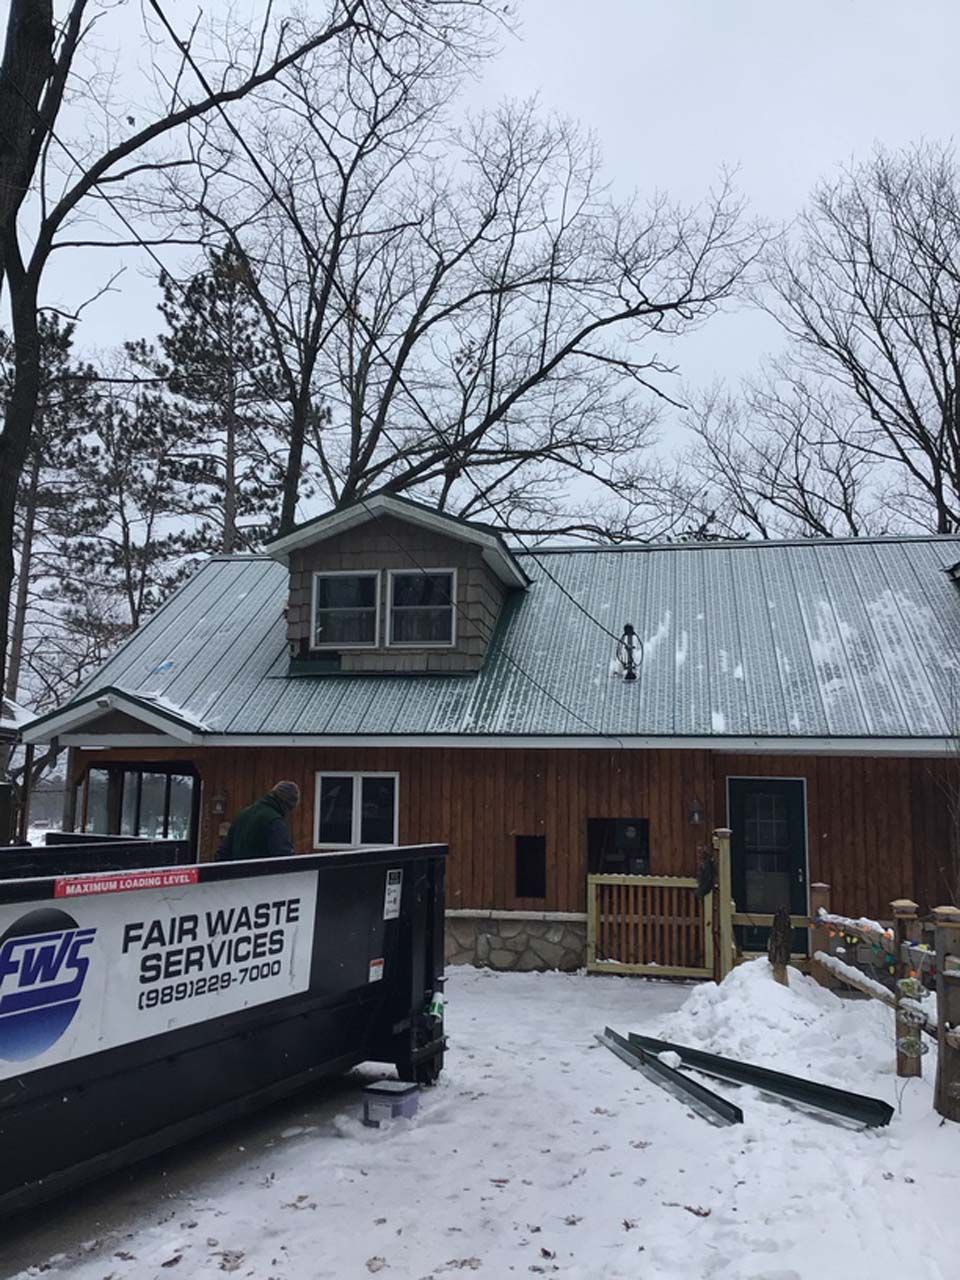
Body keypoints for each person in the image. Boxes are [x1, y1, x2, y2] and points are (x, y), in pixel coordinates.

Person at [215, 780, 300, 860]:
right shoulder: (274, 821)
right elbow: (285, 858)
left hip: (237, 873)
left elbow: (222, 853)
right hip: (261, 874)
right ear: (287, 805)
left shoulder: (242, 815)